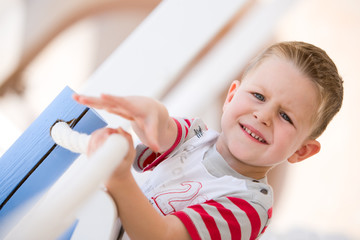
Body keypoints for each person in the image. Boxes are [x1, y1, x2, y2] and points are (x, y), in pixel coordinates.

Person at [73, 41, 343, 240]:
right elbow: (162, 133)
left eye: (285, 116)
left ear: (302, 151)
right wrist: (149, 114)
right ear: (230, 97)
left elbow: (163, 236)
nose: (263, 116)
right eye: (258, 96)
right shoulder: (195, 134)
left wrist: (119, 179)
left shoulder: (249, 206)